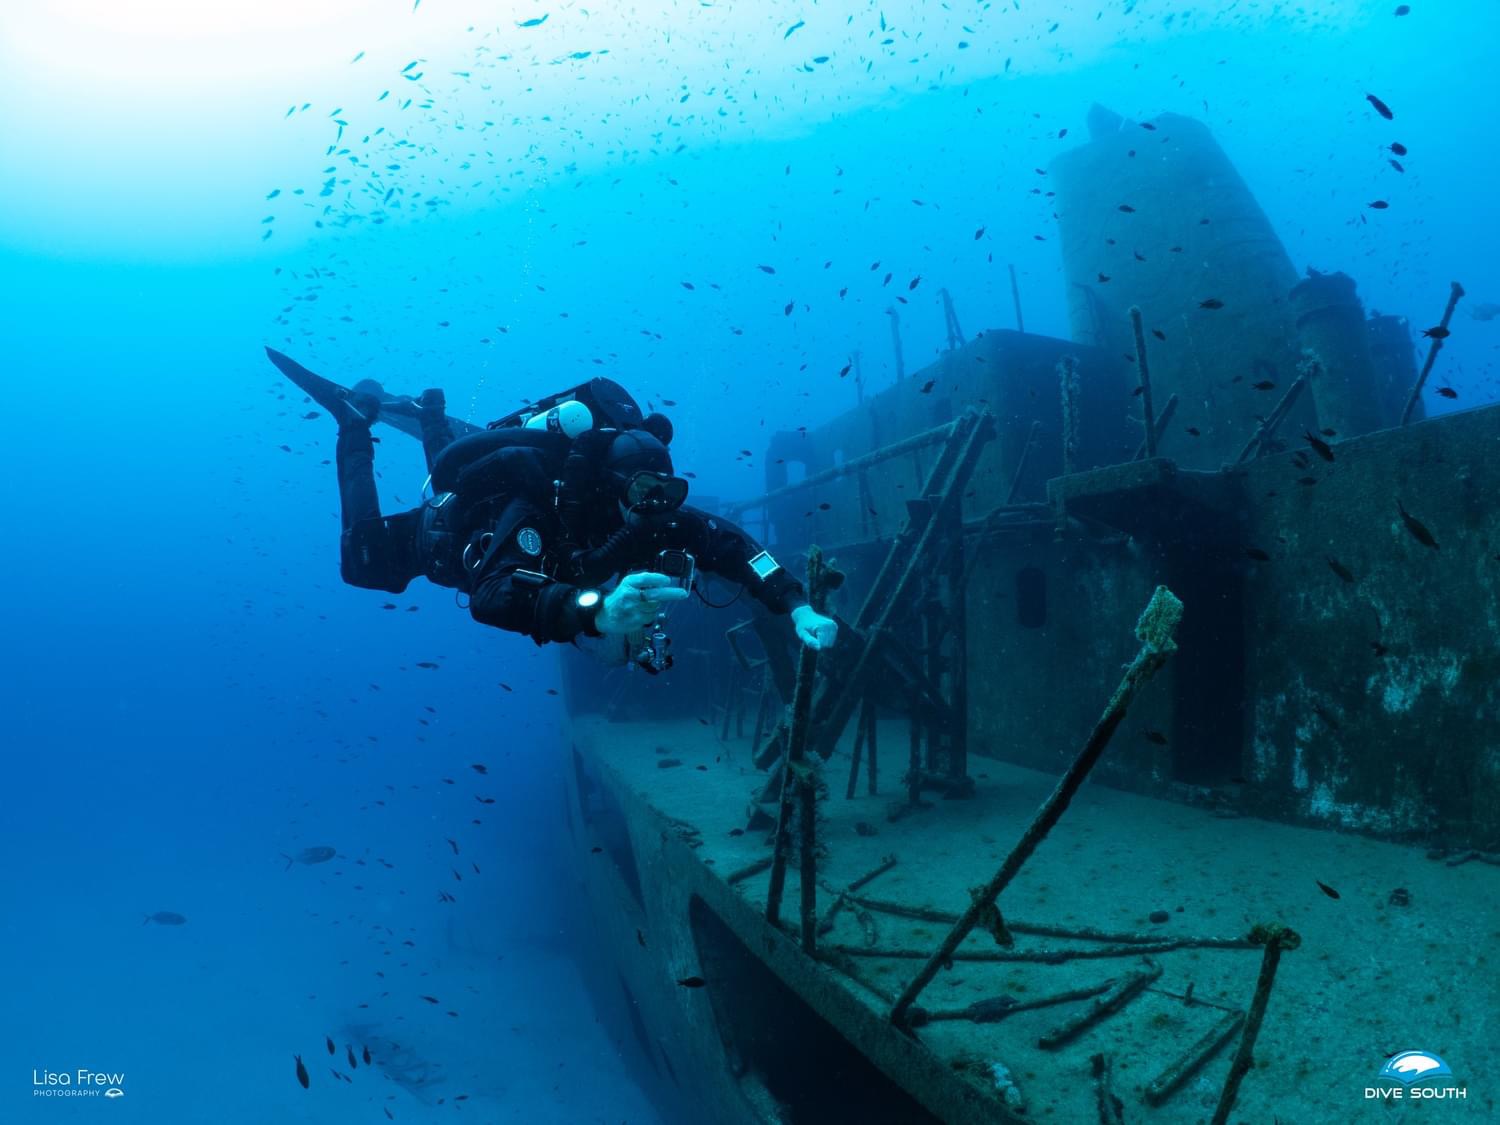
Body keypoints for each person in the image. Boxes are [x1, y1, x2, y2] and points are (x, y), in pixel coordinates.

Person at [264, 348, 838, 658]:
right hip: (445, 540)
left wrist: (796, 604)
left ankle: (434, 418)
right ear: (607, 488)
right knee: (360, 566)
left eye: (665, 494)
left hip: (489, 502)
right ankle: (354, 426)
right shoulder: (542, 512)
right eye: (640, 494)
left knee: (451, 462)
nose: (655, 508)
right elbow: (492, 595)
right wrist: (597, 612)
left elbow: (736, 549)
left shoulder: (656, 513)